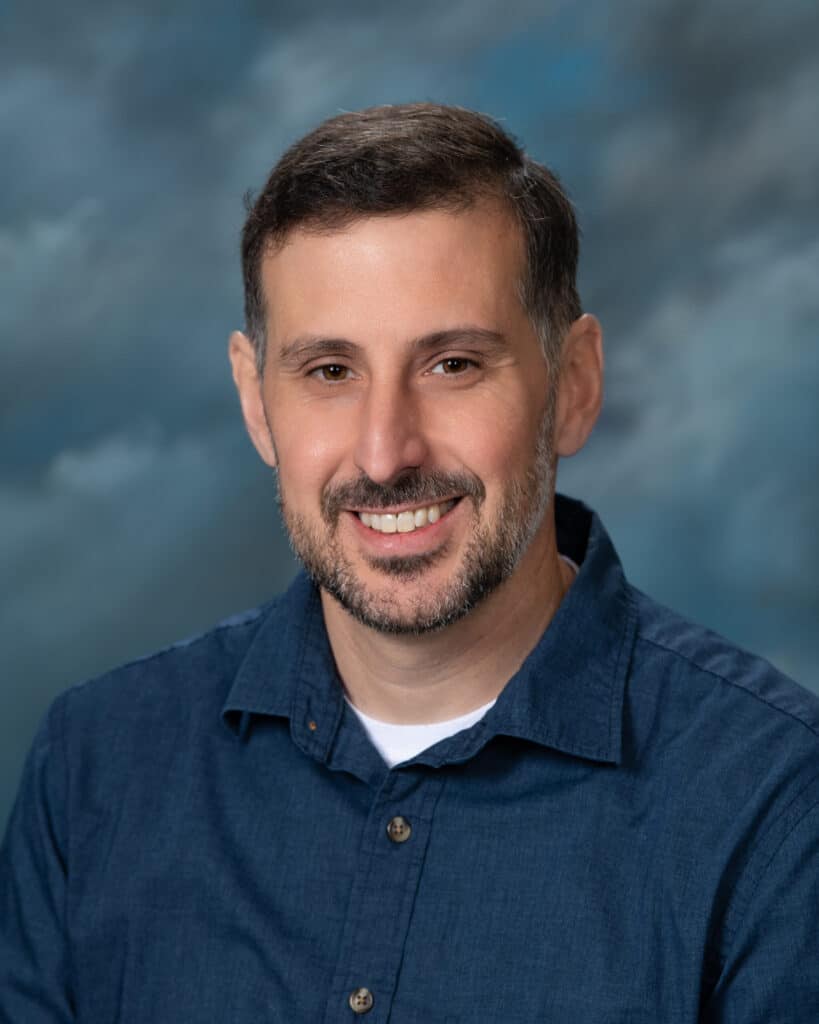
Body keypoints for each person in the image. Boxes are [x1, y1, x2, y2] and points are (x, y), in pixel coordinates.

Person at [1, 103, 817, 1023]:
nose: (386, 455)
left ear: (574, 387)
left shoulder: (775, 802)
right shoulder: (96, 770)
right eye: (329, 373)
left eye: (453, 364)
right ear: (255, 401)